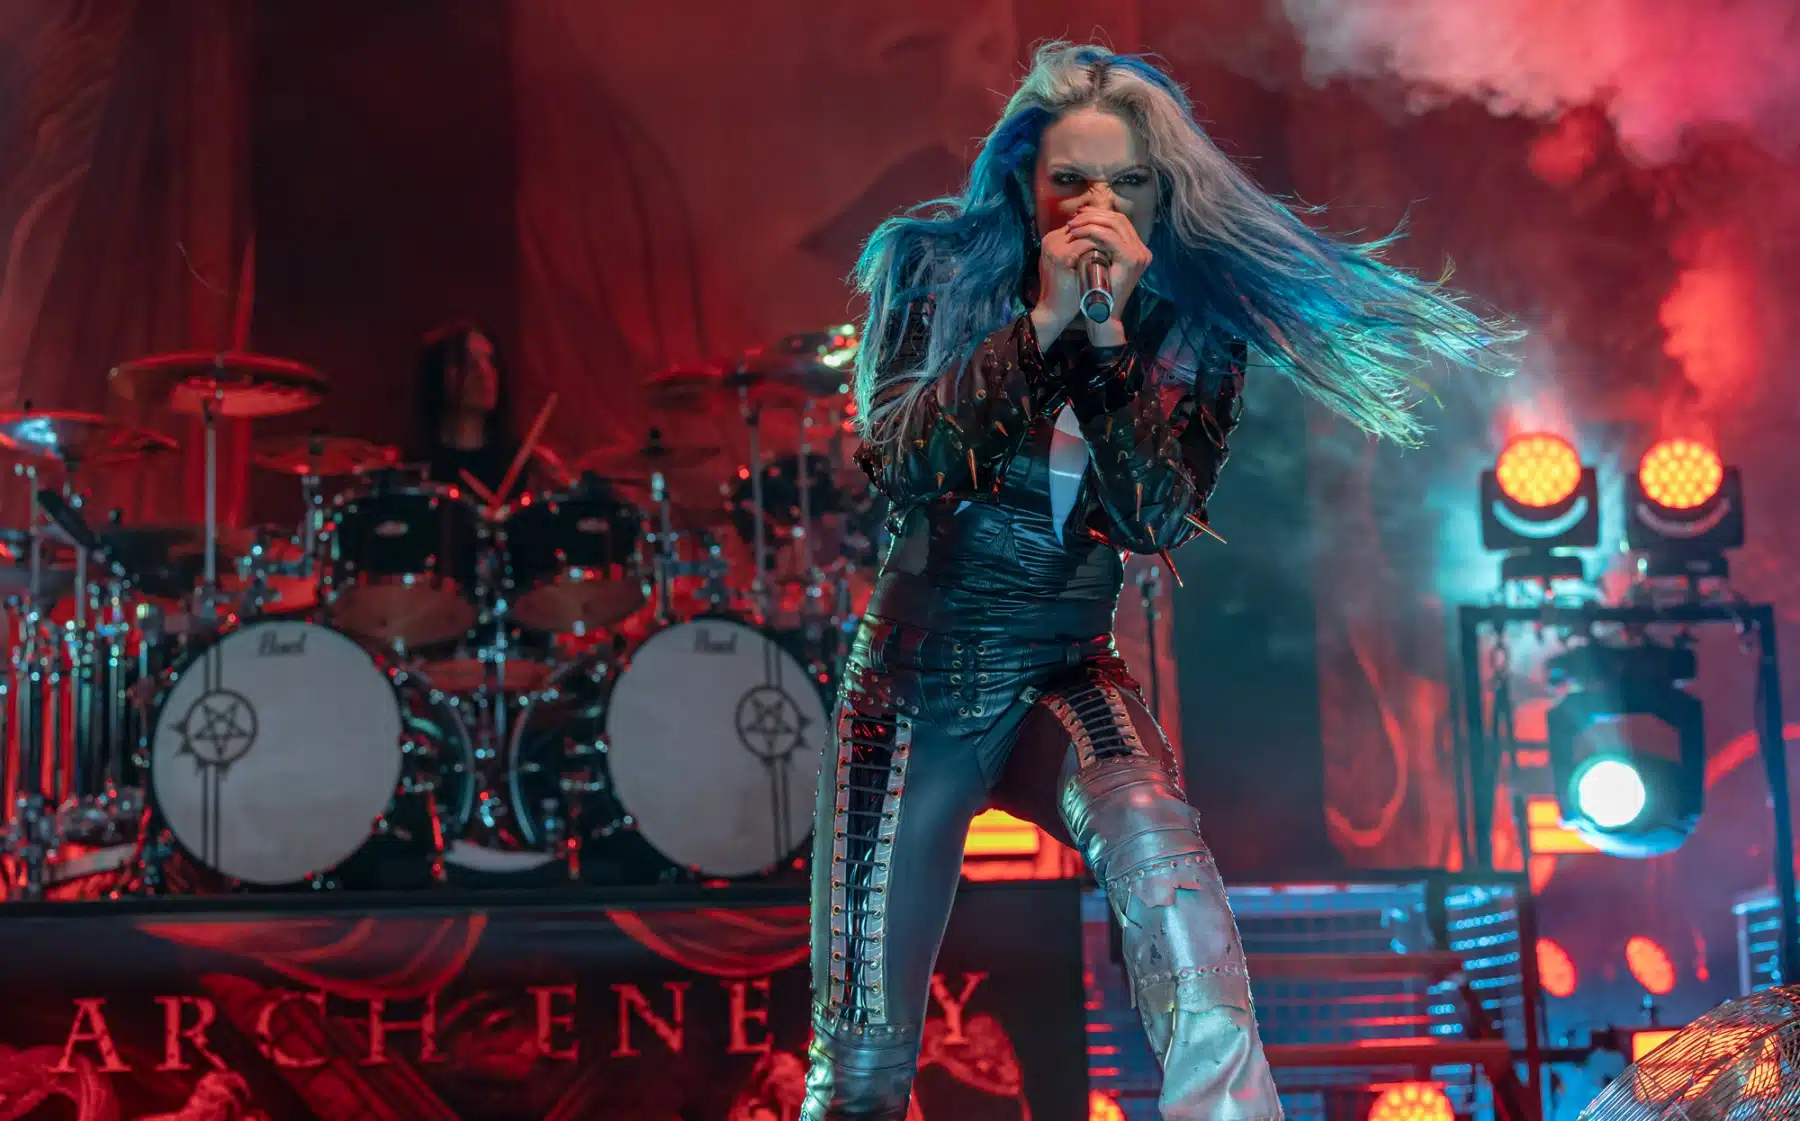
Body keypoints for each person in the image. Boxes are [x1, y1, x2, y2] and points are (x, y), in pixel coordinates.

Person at [802, 43, 1515, 1120]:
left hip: (1064, 668)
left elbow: (1151, 515)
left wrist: (1102, 339)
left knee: (1167, 867)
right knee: (861, 1072)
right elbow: (905, 462)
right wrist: (1039, 323)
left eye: (1126, 182)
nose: (1097, 207)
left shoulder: (1192, 327)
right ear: (1025, 184)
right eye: (1071, 180)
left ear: (1160, 194)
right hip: (914, 684)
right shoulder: (929, 270)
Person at [413, 321, 525, 502]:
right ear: (438, 374)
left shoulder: (522, 464)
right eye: (468, 362)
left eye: (490, 361)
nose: (484, 373)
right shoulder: (415, 470)